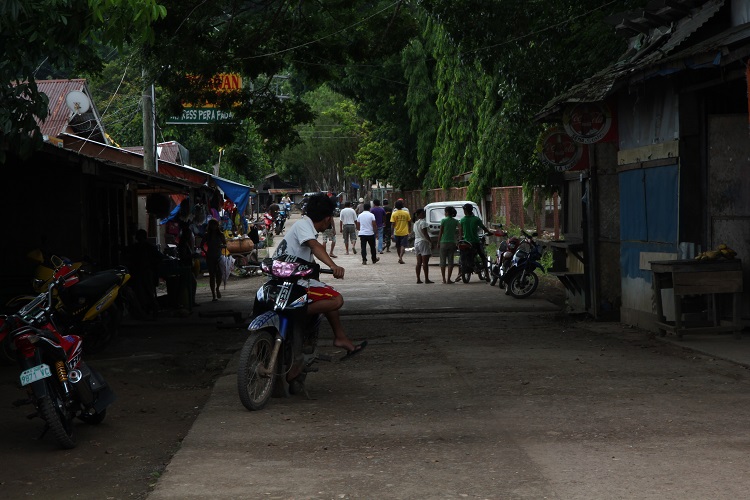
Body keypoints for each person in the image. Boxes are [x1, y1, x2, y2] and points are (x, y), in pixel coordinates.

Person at [273, 193, 366, 359]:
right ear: (327, 218)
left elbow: (308, 258)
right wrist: (333, 266)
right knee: (336, 300)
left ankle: (340, 337)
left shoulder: (304, 227)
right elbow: (315, 246)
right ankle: (294, 314)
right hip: (290, 284)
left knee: (326, 292)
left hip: (287, 281)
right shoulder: (304, 226)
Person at [126, 229, 163, 317]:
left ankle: (151, 310)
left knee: (145, 292)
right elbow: (159, 257)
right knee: (146, 292)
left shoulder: (143, 247)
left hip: (143, 272)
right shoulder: (144, 246)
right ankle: (150, 310)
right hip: (143, 272)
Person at [458, 203, 492, 279]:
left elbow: (460, 233)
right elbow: (484, 228)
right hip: (475, 241)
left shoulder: (462, 220)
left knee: (462, 255)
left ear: (465, 211)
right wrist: (489, 232)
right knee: (483, 257)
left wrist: (461, 239)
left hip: (466, 242)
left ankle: (460, 272)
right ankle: (487, 274)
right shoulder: (476, 219)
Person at [204, 218, 226, 301]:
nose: (214, 227)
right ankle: (213, 294)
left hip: (219, 256)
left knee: (219, 275)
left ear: (217, 226)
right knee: (212, 276)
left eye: (215, 225)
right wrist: (205, 252)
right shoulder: (207, 235)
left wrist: (222, 246)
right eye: (212, 225)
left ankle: (217, 288)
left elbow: (225, 244)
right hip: (210, 257)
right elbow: (202, 245)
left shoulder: (221, 234)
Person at [437, 206, 460, 284]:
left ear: (447, 213)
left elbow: (440, 232)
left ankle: (443, 279)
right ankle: (448, 279)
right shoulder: (456, 221)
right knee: (451, 262)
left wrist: (438, 242)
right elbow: (460, 230)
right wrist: (458, 239)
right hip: (452, 242)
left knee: (442, 261)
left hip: (443, 242)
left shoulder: (443, 220)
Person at [412, 208, 434, 284]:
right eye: (423, 213)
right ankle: (426, 279)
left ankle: (418, 278)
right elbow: (425, 233)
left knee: (418, 262)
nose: (424, 214)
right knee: (425, 263)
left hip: (416, 242)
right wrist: (430, 242)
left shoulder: (415, 223)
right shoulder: (423, 223)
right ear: (419, 214)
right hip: (423, 242)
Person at [390, 199, 412, 264]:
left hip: (397, 232)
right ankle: (401, 257)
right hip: (405, 232)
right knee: (403, 245)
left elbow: (392, 224)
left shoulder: (394, 214)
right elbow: (409, 222)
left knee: (398, 246)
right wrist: (409, 230)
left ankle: (399, 257)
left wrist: (392, 233)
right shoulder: (406, 213)